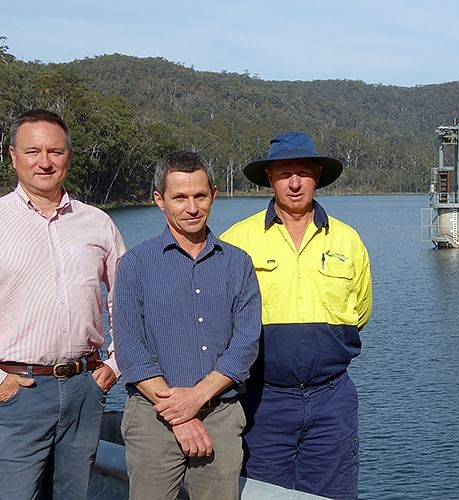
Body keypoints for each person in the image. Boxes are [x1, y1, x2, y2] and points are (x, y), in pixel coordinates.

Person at [221, 131, 372, 500]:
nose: (294, 183)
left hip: (331, 399)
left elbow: (362, 310)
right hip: (262, 400)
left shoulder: (348, 240)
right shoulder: (237, 241)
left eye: (302, 173)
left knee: (333, 494)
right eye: (284, 174)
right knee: (263, 493)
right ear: (270, 178)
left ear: (316, 176)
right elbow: (219, 320)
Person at [113, 150, 261, 500]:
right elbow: (132, 350)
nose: (191, 207)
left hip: (220, 415)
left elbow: (246, 342)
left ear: (213, 193)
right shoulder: (135, 264)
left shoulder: (238, 264)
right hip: (152, 417)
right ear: (159, 200)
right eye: (179, 197)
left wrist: (196, 397)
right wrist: (180, 415)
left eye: (200, 195)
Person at [0, 109, 127, 500]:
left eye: (54, 151)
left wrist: (114, 365)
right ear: (12, 155)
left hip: (85, 388)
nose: (44, 161)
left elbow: (126, 302)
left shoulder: (97, 223)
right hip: (18, 391)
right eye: (33, 150)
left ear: (68, 156)